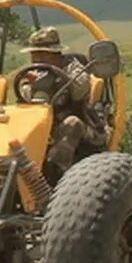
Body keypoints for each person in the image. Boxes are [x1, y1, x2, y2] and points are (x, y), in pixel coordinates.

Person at [22, 27, 108, 170]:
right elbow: (24, 100)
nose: (37, 59)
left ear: (56, 53)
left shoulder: (73, 67)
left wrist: (59, 77)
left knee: (72, 123)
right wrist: (30, 86)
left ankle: (55, 171)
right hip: (43, 126)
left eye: (42, 54)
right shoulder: (32, 73)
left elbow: (80, 92)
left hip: (82, 126)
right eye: (34, 54)